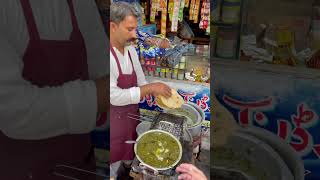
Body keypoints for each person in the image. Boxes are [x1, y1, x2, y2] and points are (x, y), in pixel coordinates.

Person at [0, 0, 108, 179]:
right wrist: (101, 96)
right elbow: (12, 110)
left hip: (78, 163)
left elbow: (101, 67)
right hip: (22, 168)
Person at [110, 1, 172, 163]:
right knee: (114, 159)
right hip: (112, 123)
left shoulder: (129, 48)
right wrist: (149, 88)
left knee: (130, 150)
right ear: (113, 27)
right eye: (129, 29)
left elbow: (139, 77)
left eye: (135, 29)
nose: (134, 35)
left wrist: (152, 90)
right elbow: (113, 96)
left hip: (131, 116)